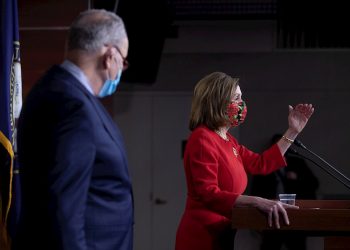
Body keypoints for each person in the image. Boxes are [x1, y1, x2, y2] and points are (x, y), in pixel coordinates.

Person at [13, 9, 133, 250]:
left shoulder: (52, 90)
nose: (121, 68)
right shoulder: (73, 106)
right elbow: (63, 211)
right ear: (110, 55)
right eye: (124, 60)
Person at [175, 72, 314, 250]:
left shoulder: (228, 140)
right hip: (201, 236)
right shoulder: (202, 138)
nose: (242, 103)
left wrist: (292, 131)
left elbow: (261, 164)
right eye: (237, 98)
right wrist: (257, 201)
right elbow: (208, 193)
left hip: (223, 232)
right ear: (218, 101)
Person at [251, 134, 319, 250]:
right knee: (270, 246)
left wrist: (297, 178)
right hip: (270, 215)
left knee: (297, 245)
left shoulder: (297, 163)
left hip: (295, 215)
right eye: (278, 145)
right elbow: (256, 191)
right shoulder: (264, 164)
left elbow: (314, 183)